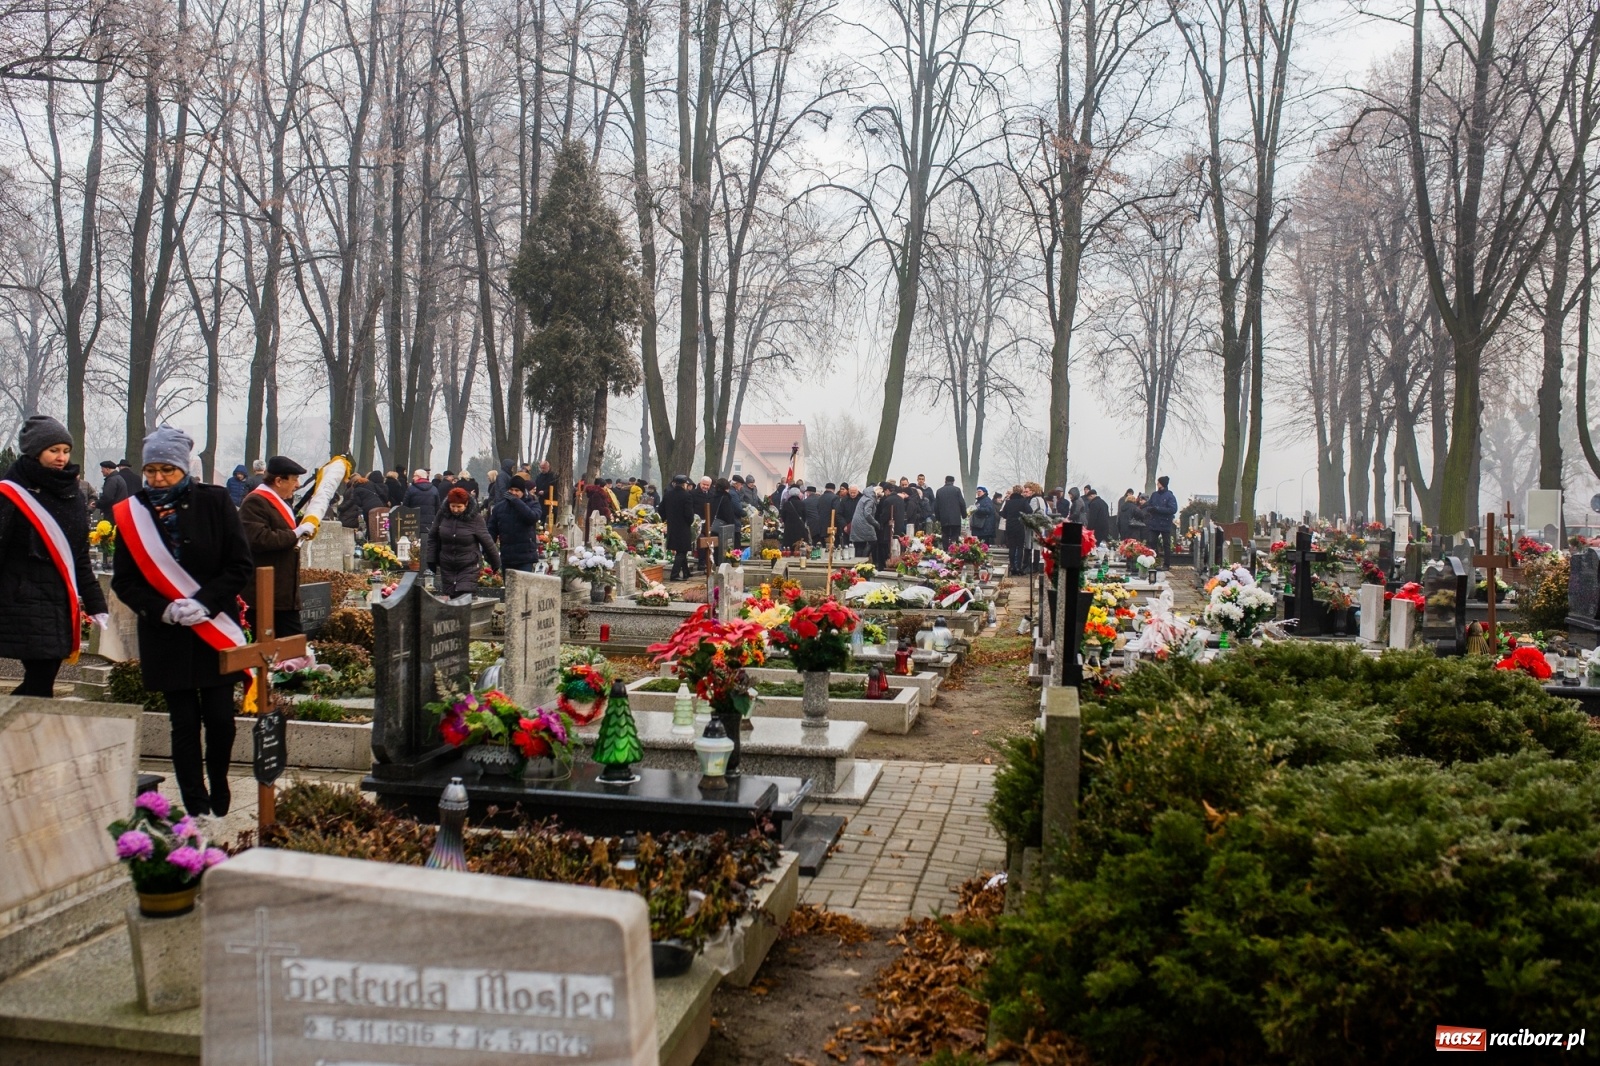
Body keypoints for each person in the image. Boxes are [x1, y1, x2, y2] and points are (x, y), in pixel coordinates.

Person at [112, 426, 254, 817]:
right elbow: (125, 581)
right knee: (184, 722)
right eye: (151, 470)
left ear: (184, 468)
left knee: (221, 719)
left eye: (167, 470)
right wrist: (164, 609)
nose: (157, 479)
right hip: (166, 635)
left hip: (213, 631)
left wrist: (204, 603)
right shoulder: (132, 513)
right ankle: (194, 800)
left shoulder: (216, 501)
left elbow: (239, 565)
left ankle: (220, 778)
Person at [0, 416, 110, 697]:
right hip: (21, 598)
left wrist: (96, 603)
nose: (61, 458)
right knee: (40, 680)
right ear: (35, 452)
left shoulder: (71, 493)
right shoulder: (11, 492)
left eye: (65, 450)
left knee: (43, 680)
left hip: (58, 600)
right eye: (53, 451)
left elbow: (79, 556)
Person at [239, 455, 313, 640]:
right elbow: (259, 538)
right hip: (263, 594)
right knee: (286, 649)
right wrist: (295, 533)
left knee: (292, 649)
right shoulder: (255, 502)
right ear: (279, 481)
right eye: (294, 479)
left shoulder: (279, 501)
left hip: (282, 593)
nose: (297, 485)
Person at [428, 487, 500, 596]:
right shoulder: (442, 514)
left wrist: (495, 563)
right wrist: (431, 559)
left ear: (466, 504)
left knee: (465, 596)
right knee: (449, 598)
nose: (455, 510)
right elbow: (433, 536)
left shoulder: (475, 518)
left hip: (468, 565)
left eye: (459, 507)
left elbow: (487, 541)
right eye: (452, 506)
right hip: (447, 565)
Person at [489, 475, 542, 573]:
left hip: (526, 557)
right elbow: (492, 530)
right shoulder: (499, 507)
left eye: (517, 490)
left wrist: (516, 502)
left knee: (523, 587)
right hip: (507, 557)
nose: (513, 493)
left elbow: (532, 518)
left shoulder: (533, 504)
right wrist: (489, 553)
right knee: (509, 587)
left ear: (523, 491)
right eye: (511, 490)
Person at [661, 475, 696, 581]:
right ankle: (674, 574)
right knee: (681, 551)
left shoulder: (668, 494)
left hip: (672, 525)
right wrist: (690, 522)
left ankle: (686, 572)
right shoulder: (686, 495)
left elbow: (661, 509)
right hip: (683, 526)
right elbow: (689, 513)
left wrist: (666, 518)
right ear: (684, 484)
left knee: (682, 549)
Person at [404, 469, 440, 559]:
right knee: (428, 543)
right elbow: (438, 507)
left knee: (414, 542)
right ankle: (427, 560)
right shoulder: (434, 489)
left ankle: (415, 560)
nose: (413, 477)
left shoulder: (411, 489)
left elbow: (405, 506)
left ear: (419, 477)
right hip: (430, 521)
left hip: (413, 521)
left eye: (414, 475)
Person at [1146, 474, 1179, 568]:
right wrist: (1150, 509)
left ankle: (1166, 564)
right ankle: (1153, 562)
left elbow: (1173, 509)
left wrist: (1158, 509)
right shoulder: (1154, 495)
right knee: (1152, 542)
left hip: (1165, 523)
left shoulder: (1170, 496)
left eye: (1158, 482)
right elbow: (1149, 506)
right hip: (1154, 523)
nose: (1157, 484)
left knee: (1166, 544)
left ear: (1162, 484)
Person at [1001, 485, 1030, 574]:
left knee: (1012, 547)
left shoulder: (1008, 502)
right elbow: (1030, 511)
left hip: (1010, 526)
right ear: (1021, 492)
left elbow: (1003, 513)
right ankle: (1018, 568)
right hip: (1020, 526)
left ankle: (1012, 567)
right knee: (1020, 546)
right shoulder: (1023, 501)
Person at [935, 475, 967, 548]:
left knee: (945, 535)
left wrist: (938, 518)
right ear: (953, 482)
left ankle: (946, 550)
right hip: (955, 518)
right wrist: (964, 515)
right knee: (955, 535)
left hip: (944, 518)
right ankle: (953, 549)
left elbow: (936, 506)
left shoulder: (939, 491)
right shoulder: (957, 490)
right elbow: (962, 503)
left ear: (945, 481)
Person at [850, 484, 880, 559]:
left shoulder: (864, 497)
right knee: (872, 541)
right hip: (864, 524)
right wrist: (876, 523)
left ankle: (857, 564)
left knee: (859, 545)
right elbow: (867, 514)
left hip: (856, 523)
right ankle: (863, 561)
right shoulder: (870, 500)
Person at [780, 484, 808, 549]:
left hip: (789, 528)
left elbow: (783, 516)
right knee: (798, 545)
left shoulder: (786, 504)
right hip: (799, 528)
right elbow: (805, 516)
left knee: (789, 546)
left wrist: (786, 522)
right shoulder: (802, 504)